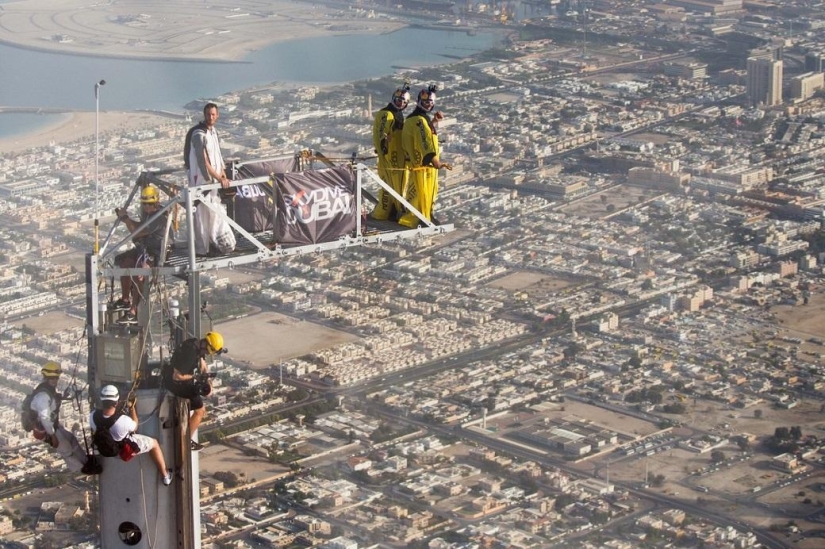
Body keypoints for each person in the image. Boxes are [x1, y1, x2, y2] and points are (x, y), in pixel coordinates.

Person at [89, 385, 173, 486]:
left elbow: (104, 421)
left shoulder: (92, 416)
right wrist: (132, 408)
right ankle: (166, 476)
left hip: (104, 448)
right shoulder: (123, 421)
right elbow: (135, 426)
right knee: (154, 444)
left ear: (102, 400)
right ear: (116, 401)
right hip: (123, 450)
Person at [112, 185, 170, 325]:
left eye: (149, 204)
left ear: (155, 202)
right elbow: (140, 227)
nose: (146, 207)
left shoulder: (158, 217)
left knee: (140, 274)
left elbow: (137, 232)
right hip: (147, 249)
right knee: (124, 263)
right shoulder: (151, 215)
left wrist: (126, 218)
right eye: (144, 204)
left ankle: (133, 311)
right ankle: (125, 299)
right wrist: (128, 219)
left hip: (156, 253)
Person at [398, 85, 453, 229]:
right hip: (422, 166)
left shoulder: (418, 119)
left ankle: (426, 215)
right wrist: (436, 162)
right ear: (419, 101)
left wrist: (434, 121)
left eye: (430, 102)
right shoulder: (419, 120)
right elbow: (425, 142)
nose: (428, 104)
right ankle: (413, 219)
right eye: (425, 102)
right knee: (419, 193)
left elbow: (424, 134)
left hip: (422, 165)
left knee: (428, 193)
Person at [187, 102, 236, 257]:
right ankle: (202, 249)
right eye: (208, 114)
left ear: (217, 115)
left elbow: (218, 158)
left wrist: (222, 176)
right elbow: (204, 161)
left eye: (213, 114)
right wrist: (219, 178)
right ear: (204, 114)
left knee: (215, 211)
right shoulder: (198, 134)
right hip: (201, 179)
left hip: (213, 180)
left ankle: (215, 243)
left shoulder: (213, 132)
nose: (211, 117)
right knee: (202, 213)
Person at [164, 332, 226, 451]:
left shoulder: (194, 343)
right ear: (205, 345)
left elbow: (203, 364)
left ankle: (183, 429)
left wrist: (207, 379)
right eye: (208, 352)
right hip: (174, 383)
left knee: (197, 396)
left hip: (176, 379)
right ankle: (186, 440)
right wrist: (195, 378)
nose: (207, 354)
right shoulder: (190, 354)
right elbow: (176, 376)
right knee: (200, 411)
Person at [29, 362, 88, 472]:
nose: (54, 380)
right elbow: (44, 418)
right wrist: (52, 436)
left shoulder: (48, 390)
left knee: (71, 439)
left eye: (56, 378)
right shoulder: (43, 395)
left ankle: (85, 461)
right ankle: (82, 469)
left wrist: (63, 397)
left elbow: (52, 404)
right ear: (46, 378)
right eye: (51, 378)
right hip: (46, 429)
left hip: (53, 425)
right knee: (66, 450)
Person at [371, 84, 410, 221]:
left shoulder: (397, 114)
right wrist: (384, 144)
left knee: (397, 185)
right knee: (390, 185)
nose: (401, 103)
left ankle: (392, 211)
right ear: (393, 98)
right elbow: (382, 133)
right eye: (399, 100)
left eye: (404, 102)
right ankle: (383, 213)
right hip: (390, 157)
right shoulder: (387, 113)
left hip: (396, 156)